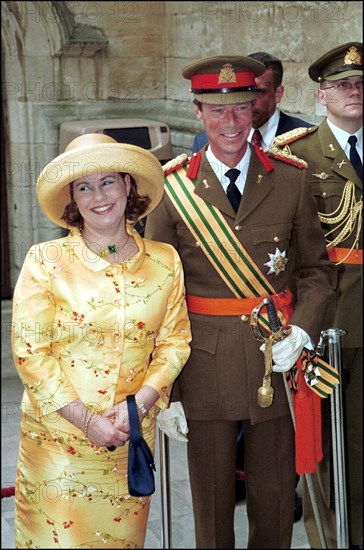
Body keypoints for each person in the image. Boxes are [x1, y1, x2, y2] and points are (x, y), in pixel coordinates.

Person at [145, 55, 336, 549]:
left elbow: (316, 270)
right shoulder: (171, 188)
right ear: (198, 113)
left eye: (240, 109)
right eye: (217, 110)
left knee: (274, 502)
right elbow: (155, 292)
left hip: (276, 358)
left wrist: (303, 330)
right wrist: (166, 391)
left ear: (256, 109)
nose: (230, 122)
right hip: (202, 367)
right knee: (210, 506)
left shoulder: (291, 179)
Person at [10, 133, 192, 549]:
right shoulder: (45, 261)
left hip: (127, 443)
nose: (98, 196)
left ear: (129, 185)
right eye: (84, 187)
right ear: (73, 199)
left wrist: (140, 405)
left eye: (108, 181)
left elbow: (175, 341)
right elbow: (30, 351)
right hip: (60, 446)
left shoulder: (165, 261)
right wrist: (88, 422)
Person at [271, 42, 362, 549]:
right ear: (322, 94)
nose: (355, 93)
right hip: (324, 319)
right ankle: (331, 538)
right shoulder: (296, 155)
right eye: (343, 85)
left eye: (362, 84)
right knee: (322, 443)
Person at [192, 51, 312, 153]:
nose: (250, 100)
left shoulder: (307, 139)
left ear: (277, 94)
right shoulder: (204, 141)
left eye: (259, 91)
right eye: (244, 93)